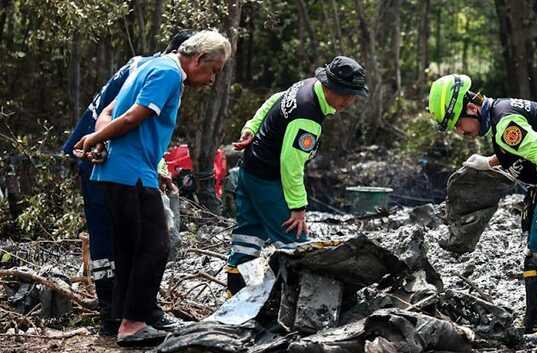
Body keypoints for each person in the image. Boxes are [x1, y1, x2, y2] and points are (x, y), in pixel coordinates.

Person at [73, 30, 231, 346]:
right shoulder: (170, 73)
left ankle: (125, 320)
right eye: (213, 70)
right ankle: (133, 324)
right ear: (198, 59)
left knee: (131, 248)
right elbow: (133, 117)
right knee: (155, 246)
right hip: (130, 173)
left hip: (125, 171)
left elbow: (111, 111)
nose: (212, 80)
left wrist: (143, 163)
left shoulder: (150, 65)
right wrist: (94, 139)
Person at [428, 74, 537, 345]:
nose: (460, 132)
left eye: (459, 124)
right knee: (533, 250)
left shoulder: (506, 121)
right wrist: (488, 162)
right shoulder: (499, 117)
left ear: (471, 108)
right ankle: (535, 320)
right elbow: (517, 151)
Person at [61, 30, 194, 336]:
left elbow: (141, 131)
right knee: (115, 238)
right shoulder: (156, 70)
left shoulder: (152, 68)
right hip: (97, 155)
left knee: (135, 239)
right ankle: (112, 311)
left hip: (114, 155)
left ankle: (134, 311)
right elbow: (109, 115)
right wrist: (98, 143)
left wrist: (156, 167)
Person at [227, 56, 368, 296]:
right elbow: (290, 164)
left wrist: (251, 126)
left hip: (249, 170)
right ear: (330, 87)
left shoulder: (307, 85)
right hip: (269, 180)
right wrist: (298, 207)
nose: (349, 101)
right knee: (296, 243)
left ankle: (237, 294)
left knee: (248, 235)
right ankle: (302, 299)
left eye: (353, 95)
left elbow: (274, 100)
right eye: (346, 94)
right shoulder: (308, 117)